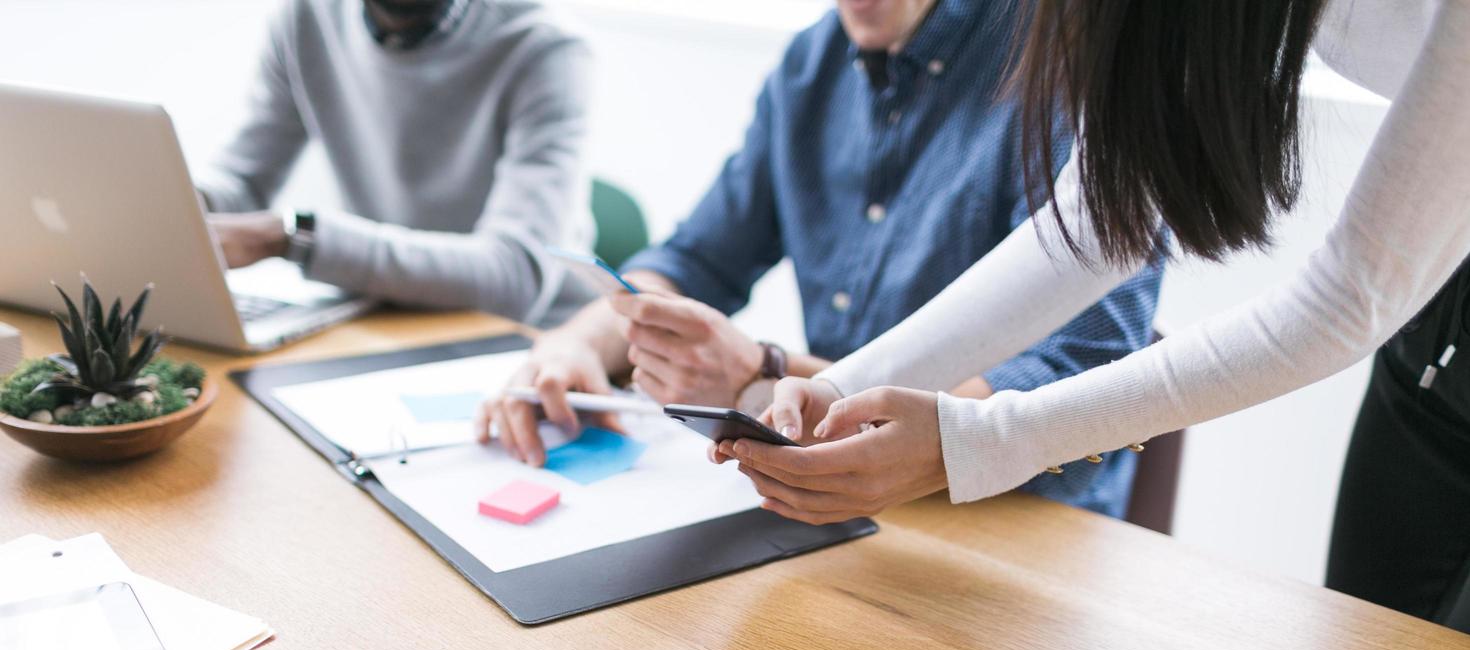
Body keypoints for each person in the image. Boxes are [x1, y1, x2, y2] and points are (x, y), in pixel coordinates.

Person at [730, 0, 1470, 630]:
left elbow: (1348, 302)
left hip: (1410, 283)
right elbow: (1094, 226)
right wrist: (845, 387)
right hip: (1435, 331)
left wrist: (978, 441)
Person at [480, 0, 1162, 519]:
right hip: (832, 508)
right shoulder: (813, 63)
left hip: (1014, 533)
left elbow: (1073, 389)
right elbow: (696, 258)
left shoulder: (1066, 61)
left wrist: (763, 379)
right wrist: (578, 344)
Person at [197, 0, 596, 327]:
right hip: (383, 315)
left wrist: (292, 236)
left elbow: (515, 276)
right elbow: (243, 181)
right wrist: (176, 201)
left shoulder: (547, 45)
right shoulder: (307, 16)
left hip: (528, 343)